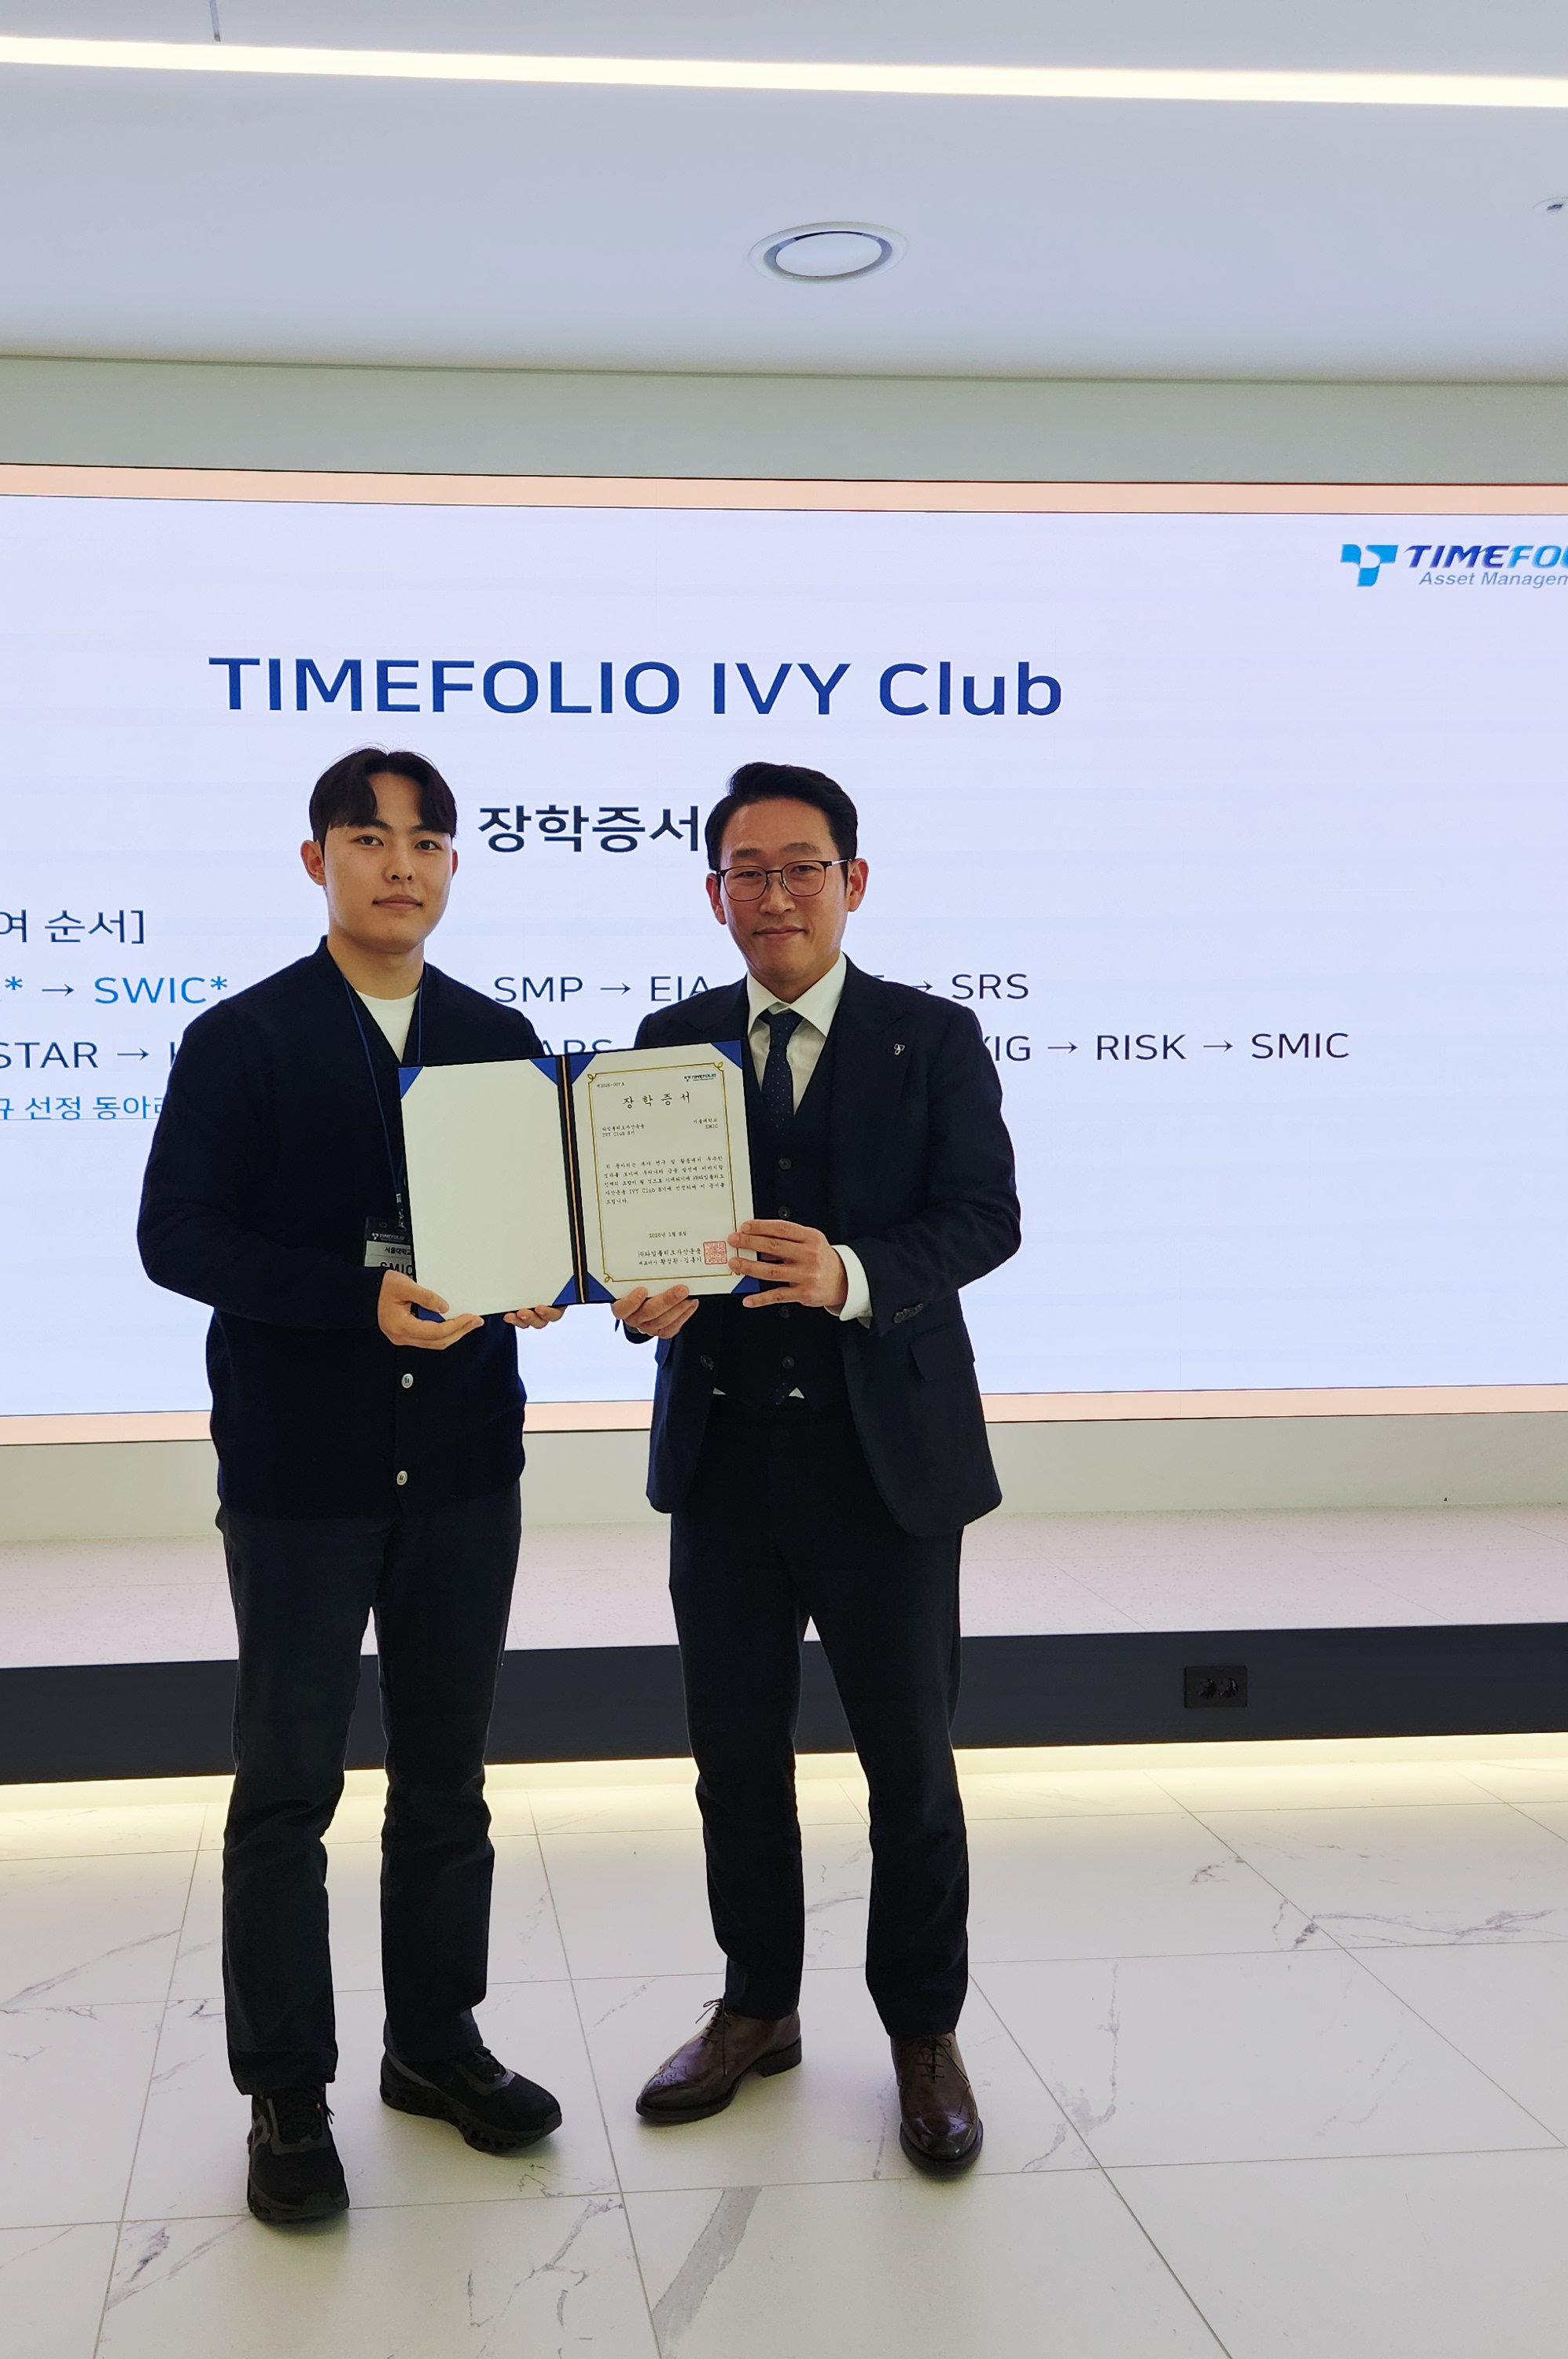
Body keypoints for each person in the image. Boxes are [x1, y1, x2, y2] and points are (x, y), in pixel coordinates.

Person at [137, 749, 566, 2228]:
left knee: (447, 1779)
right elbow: (178, 1238)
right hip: (301, 1473)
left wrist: (547, 1275)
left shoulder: (500, 1039)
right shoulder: (241, 1039)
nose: (403, 865)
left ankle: (435, 2044)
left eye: (429, 840)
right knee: (288, 1790)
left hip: (461, 1469)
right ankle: (286, 2091)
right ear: (316, 858)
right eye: (372, 838)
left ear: (452, 865)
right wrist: (351, 1300)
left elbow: (531, 1227)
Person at [607, 760, 1021, 2173]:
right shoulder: (667, 1044)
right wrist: (639, 1297)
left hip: (884, 1465)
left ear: (853, 880)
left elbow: (985, 1217)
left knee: (910, 1766)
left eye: (802, 867)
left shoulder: (932, 1036)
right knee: (734, 1758)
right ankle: (757, 2007)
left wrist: (851, 1272)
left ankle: (923, 2031)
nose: (774, 895)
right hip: (724, 1459)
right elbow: (638, 1243)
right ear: (714, 892)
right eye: (748, 871)